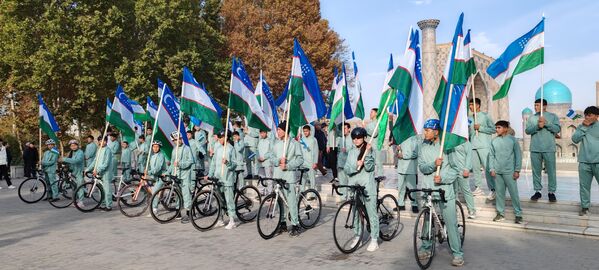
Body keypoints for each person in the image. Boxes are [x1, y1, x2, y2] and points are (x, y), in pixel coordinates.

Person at [417, 119, 464, 267]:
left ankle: (457, 254)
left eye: (428, 130)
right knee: (427, 221)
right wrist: (433, 165)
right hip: (428, 189)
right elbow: (422, 167)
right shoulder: (422, 146)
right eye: (425, 130)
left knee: (451, 222)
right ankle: (426, 246)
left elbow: (456, 169)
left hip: (444, 190)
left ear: (436, 132)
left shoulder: (447, 147)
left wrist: (442, 178)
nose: (425, 132)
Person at [265, 121, 304, 236]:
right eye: (277, 129)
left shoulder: (294, 143)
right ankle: (282, 224)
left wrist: (288, 165)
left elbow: (300, 159)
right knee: (279, 201)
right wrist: (277, 161)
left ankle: (295, 225)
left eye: (279, 130)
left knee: (291, 202)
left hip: (289, 176)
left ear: (285, 130)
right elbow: (270, 155)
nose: (277, 132)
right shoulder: (276, 143)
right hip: (278, 175)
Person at [344, 127, 379, 252]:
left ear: (364, 137)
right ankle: (357, 237)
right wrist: (356, 165)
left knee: (371, 212)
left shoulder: (369, 150)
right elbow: (347, 169)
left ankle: (374, 239)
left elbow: (370, 168)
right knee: (356, 214)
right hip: (354, 186)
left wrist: (367, 155)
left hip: (367, 186)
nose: (356, 140)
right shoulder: (351, 152)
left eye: (359, 137)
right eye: (354, 138)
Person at [525, 98, 560, 202]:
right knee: (536, 171)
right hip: (535, 148)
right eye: (535, 105)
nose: (535, 107)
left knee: (551, 171)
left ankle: (551, 192)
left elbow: (557, 129)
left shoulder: (553, 117)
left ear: (544, 106)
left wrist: (546, 124)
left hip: (549, 148)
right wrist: (537, 126)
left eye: (537, 105)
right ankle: (537, 191)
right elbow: (527, 131)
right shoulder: (531, 118)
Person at [489, 120, 523, 223]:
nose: (497, 130)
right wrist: (492, 168)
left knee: (514, 194)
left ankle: (518, 214)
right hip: (498, 172)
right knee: (499, 194)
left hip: (510, 172)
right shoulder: (494, 141)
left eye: (499, 127)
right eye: (496, 128)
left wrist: (517, 170)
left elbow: (518, 156)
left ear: (505, 128)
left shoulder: (513, 140)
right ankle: (500, 214)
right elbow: (491, 156)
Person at [206, 130, 238, 229]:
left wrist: (228, 163)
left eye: (220, 138)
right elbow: (213, 163)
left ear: (226, 137)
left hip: (227, 178)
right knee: (219, 200)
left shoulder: (231, 149)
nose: (219, 139)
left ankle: (232, 220)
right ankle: (220, 219)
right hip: (218, 178)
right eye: (219, 138)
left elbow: (234, 164)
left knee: (229, 200)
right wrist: (210, 174)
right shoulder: (218, 149)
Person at [572, 106, 599, 216]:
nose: (587, 117)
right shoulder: (581, 127)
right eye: (586, 115)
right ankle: (585, 207)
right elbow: (575, 139)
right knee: (584, 186)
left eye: (590, 115)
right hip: (584, 162)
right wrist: (584, 127)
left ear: (597, 116)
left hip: (598, 162)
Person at [468, 98, 496, 200]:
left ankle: (493, 189)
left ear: (478, 105)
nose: (470, 107)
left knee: (488, 168)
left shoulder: (486, 116)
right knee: (475, 169)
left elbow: (493, 129)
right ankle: (478, 187)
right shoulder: (469, 118)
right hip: (473, 146)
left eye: (472, 104)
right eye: (470, 105)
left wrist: (480, 128)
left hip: (484, 146)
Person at [169, 132, 194, 223]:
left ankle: (188, 213)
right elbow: (172, 163)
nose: (178, 141)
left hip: (185, 175)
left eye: (179, 138)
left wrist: (180, 164)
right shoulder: (174, 150)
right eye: (175, 140)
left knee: (186, 194)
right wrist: (169, 173)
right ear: (173, 141)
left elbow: (190, 161)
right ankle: (178, 212)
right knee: (177, 195)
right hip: (176, 175)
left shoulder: (187, 148)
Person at [86, 137, 114, 211]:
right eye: (100, 141)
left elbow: (106, 163)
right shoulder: (99, 150)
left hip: (106, 173)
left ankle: (109, 206)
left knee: (107, 190)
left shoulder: (108, 150)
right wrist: (88, 169)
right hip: (99, 173)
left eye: (104, 141)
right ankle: (103, 204)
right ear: (98, 142)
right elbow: (95, 161)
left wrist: (97, 170)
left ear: (106, 142)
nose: (102, 142)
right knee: (100, 190)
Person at [396, 135, 421, 213]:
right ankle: (400, 204)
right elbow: (398, 153)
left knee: (412, 188)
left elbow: (415, 153)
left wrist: (404, 155)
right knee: (400, 187)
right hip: (401, 167)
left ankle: (414, 204)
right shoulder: (400, 138)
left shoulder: (415, 138)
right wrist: (398, 150)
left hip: (410, 168)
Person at [60, 139, 85, 207]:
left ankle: (81, 202)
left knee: (80, 187)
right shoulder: (71, 152)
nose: (73, 147)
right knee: (74, 187)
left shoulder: (80, 152)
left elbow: (76, 161)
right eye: (71, 146)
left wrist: (65, 159)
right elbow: (69, 161)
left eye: (74, 145)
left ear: (77, 146)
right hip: (73, 172)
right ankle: (75, 200)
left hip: (79, 172)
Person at [147, 140, 167, 216]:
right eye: (154, 146)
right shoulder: (152, 156)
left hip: (162, 176)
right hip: (155, 176)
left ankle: (155, 210)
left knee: (154, 192)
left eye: (157, 147)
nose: (155, 148)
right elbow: (151, 167)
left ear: (159, 148)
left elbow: (158, 168)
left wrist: (149, 172)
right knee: (150, 190)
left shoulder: (161, 155)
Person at [336, 123, 353, 200]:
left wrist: (347, 150)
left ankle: (350, 197)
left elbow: (355, 150)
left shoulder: (353, 138)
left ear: (349, 129)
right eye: (342, 129)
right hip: (341, 164)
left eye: (345, 128)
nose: (344, 130)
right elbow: (338, 151)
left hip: (349, 164)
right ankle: (343, 197)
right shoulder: (341, 139)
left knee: (350, 182)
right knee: (342, 181)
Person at [300, 125, 318, 191]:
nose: (305, 133)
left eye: (306, 131)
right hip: (303, 163)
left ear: (309, 131)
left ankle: (313, 194)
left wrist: (315, 162)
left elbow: (316, 151)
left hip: (311, 163)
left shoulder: (314, 140)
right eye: (304, 131)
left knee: (312, 180)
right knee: (303, 179)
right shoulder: (301, 140)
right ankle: (301, 193)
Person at [365, 108, 383, 176]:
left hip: (375, 146)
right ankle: (371, 176)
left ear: (376, 113)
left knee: (378, 162)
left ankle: (380, 177)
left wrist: (365, 129)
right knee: (369, 162)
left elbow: (375, 133)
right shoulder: (369, 124)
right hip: (369, 146)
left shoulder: (378, 122)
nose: (370, 114)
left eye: (372, 112)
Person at [257, 129, 273, 195]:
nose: (262, 134)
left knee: (269, 179)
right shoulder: (260, 141)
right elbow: (257, 150)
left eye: (263, 133)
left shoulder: (269, 141)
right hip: (260, 163)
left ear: (266, 133)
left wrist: (264, 158)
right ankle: (261, 192)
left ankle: (270, 193)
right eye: (261, 133)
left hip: (267, 162)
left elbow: (271, 151)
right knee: (261, 178)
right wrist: (258, 157)